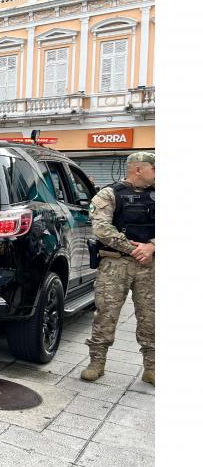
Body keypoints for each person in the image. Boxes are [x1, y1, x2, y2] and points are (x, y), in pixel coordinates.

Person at [81, 152, 155, 385]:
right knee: (105, 314)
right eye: (155, 169)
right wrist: (135, 249)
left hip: (149, 265)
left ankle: (151, 368)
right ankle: (96, 363)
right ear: (139, 170)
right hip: (115, 264)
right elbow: (101, 228)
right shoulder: (109, 194)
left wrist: (152, 247)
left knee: (151, 317)